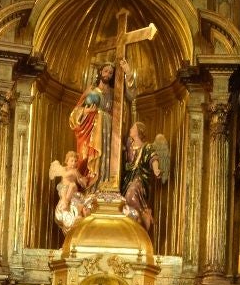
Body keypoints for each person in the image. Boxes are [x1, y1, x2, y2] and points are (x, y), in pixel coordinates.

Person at [69, 60, 135, 190]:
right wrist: (85, 111)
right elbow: (74, 113)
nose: (108, 75)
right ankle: (92, 188)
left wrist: (128, 72)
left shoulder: (114, 91)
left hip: (109, 129)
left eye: (111, 73)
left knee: (108, 157)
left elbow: (131, 96)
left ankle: (105, 186)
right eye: (105, 71)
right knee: (91, 157)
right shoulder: (91, 90)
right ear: (100, 72)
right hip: (93, 130)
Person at [122, 122, 169, 233]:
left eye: (133, 127)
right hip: (128, 179)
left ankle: (144, 214)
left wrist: (156, 169)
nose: (131, 129)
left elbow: (153, 158)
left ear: (139, 131)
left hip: (140, 178)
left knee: (131, 194)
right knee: (125, 201)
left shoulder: (147, 147)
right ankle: (137, 218)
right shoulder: (129, 146)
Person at [49, 149, 87, 232]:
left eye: (75, 161)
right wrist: (72, 173)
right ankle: (65, 201)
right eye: (71, 161)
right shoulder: (65, 169)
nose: (74, 163)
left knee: (72, 184)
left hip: (72, 189)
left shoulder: (76, 171)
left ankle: (65, 202)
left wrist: (80, 178)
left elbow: (81, 181)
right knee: (64, 189)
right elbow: (63, 178)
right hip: (64, 188)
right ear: (67, 161)